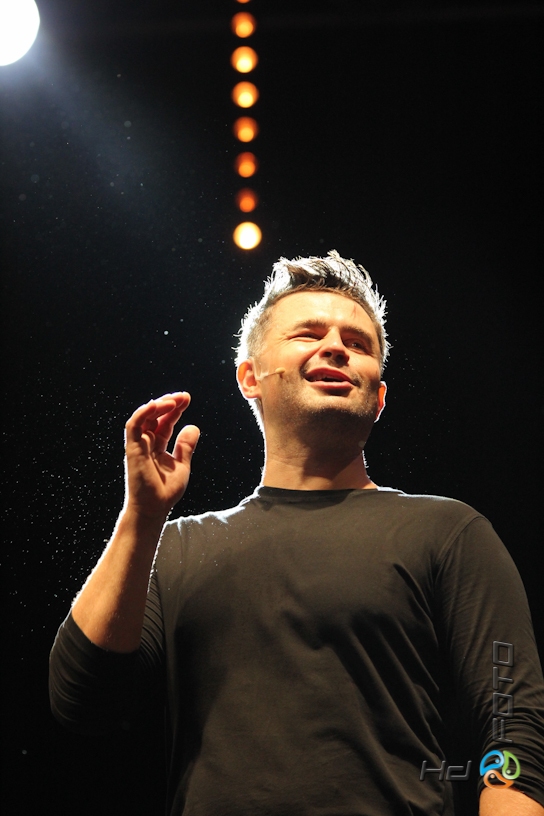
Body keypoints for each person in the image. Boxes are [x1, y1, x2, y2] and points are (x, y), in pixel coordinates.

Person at [50, 251, 544, 815]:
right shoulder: (177, 548)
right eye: (309, 334)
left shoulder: (449, 532)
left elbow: (512, 727)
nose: (336, 347)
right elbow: (82, 703)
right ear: (250, 377)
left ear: (379, 397)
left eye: (358, 344)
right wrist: (141, 516)